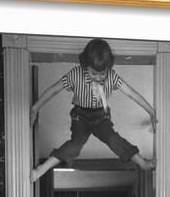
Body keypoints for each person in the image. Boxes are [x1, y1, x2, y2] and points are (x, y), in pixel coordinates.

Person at [30, 38, 157, 182]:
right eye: (93, 73)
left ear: (108, 68)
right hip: (80, 117)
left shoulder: (111, 76)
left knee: (114, 139)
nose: (98, 78)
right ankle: (41, 169)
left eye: (102, 74)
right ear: (85, 65)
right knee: (75, 146)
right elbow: (54, 90)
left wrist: (151, 111)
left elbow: (131, 93)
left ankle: (143, 163)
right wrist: (35, 108)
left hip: (101, 117)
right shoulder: (76, 74)